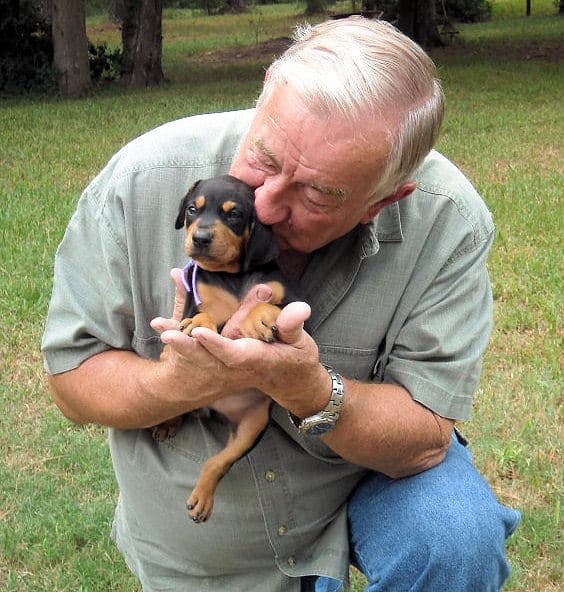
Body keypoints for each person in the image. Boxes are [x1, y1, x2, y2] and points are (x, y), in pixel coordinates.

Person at [42, 16, 520, 592]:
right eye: (265, 159)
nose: (262, 207)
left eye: (317, 193)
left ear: (383, 200)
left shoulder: (448, 220)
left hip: (368, 471)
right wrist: (179, 383)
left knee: (452, 535)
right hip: (215, 534)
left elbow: (425, 434)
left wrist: (310, 391)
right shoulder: (142, 179)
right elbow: (72, 379)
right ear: (267, 89)